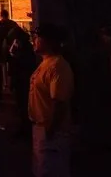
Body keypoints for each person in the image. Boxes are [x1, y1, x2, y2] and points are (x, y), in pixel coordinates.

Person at [28, 24, 74, 177]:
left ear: (49, 41)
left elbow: (59, 102)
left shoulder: (57, 66)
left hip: (51, 131)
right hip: (41, 128)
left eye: (37, 38)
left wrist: (50, 129)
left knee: (50, 169)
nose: (34, 40)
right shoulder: (46, 63)